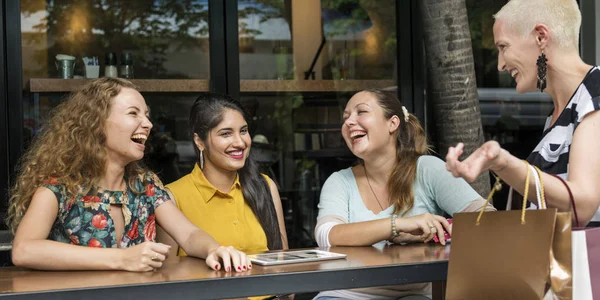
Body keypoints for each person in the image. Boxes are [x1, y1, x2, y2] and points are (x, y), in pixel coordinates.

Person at [7, 78, 249, 272]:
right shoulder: (59, 188)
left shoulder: (145, 186)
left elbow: (189, 234)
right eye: (134, 114)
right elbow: (24, 250)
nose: (148, 123)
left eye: (146, 115)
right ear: (96, 123)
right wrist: (122, 258)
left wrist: (214, 249)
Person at [314, 89, 495, 300]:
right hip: (344, 294)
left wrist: (438, 232)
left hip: (412, 295)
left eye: (361, 112)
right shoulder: (339, 181)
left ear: (392, 123)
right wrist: (396, 225)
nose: (349, 122)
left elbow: (488, 220)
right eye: (345, 118)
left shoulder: (428, 169)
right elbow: (326, 235)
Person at [445, 0, 600, 226]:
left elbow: (581, 206)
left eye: (503, 47)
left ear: (540, 37)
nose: (499, 64)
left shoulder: (593, 97)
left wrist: (503, 163)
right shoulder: (567, 109)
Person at [157, 93, 288, 260]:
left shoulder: (265, 186)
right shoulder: (172, 198)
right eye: (226, 134)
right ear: (199, 141)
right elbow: (168, 273)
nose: (240, 142)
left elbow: (283, 261)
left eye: (243, 131)